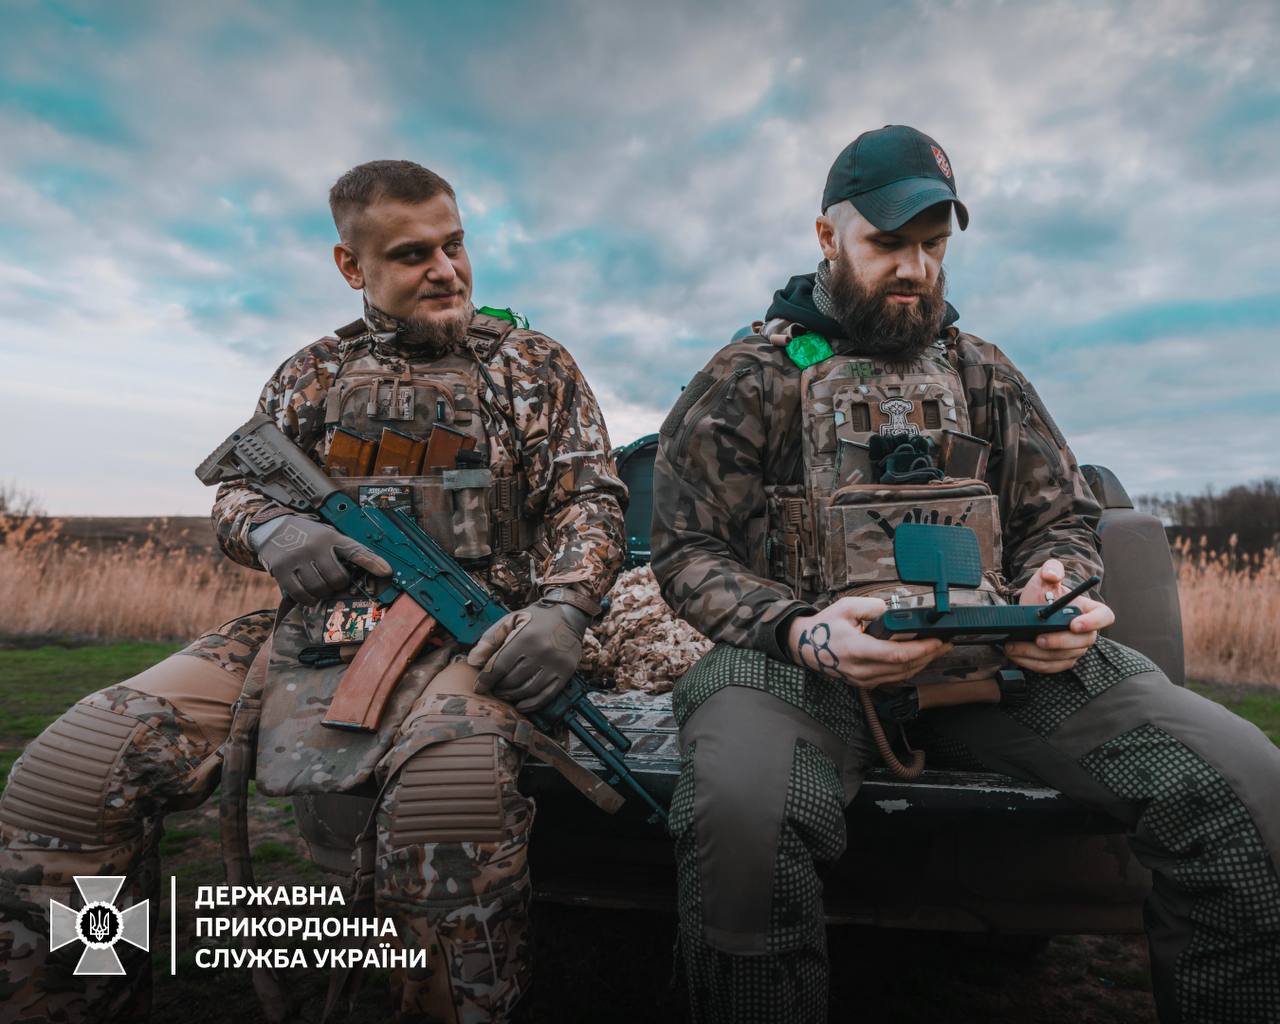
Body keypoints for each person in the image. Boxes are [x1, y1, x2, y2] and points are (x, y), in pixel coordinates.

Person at [651, 125, 1280, 1024]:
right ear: (827, 236)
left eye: (933, 246)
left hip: (998, 672)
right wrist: (801, 630)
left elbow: (1061, 517)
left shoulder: (984, 372)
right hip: (800, 672)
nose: (915, 268)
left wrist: (1054, 588)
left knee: (1245, 784)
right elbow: (687, 551)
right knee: (742, 820)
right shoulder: (748, 378)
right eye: (889, 243)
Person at [0, 159, 627, 1023]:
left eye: (454, 245)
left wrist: (564, 608)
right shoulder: (312, 374)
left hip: (473, 639)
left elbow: (589, 500)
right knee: (73, 773)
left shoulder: (532, 365)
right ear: (350, 265)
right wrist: (273, 530)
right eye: (412, 254)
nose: (446, 270)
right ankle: (82, 998)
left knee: (448, 807)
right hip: (312, 637)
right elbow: (237, 493)